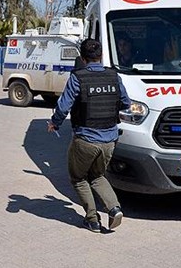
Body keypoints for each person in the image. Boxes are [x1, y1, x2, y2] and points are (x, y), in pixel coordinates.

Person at [47, 38, 131, 233]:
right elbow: (126, 103)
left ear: (83, 58)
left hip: (86, 139)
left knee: (78, 178)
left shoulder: (78, 77)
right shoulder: (113, 76)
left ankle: (92, 219)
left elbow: (63, 106)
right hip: (110, 139)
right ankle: (114, 208)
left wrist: (55, 123)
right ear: (100, 56)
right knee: (98, 176)